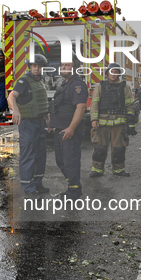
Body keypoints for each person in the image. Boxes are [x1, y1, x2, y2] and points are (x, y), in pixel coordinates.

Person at [7, 54, 50, 198]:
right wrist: (16, 111)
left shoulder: (40, 81)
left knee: (40, 155)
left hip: (39, 122)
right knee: (29, 155)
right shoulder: (24, 81)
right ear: (30, 67)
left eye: (39, 66)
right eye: (34, 66)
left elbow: (40, 102)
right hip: (28, 124)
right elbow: (11, 97)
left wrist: (47, 117)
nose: (37, 68)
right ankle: (29, 188)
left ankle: (38, 183)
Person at [49, 56, 88, 200]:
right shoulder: (66, 84)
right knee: (61, 161)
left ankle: (74, 191)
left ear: (75, 67)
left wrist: (71, 128)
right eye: (62, 65)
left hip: (69, 131)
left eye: (68, 65)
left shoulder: (77, 85)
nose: (64, 67)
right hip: (60, 130)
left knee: (70, 161)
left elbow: (81, 107)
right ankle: (73, 185)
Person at [89, 63, 136, 178]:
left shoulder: (125, 87)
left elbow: (130, 105)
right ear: (107, 74)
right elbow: (94, 103)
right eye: (111, 72)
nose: (113, 74)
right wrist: (94, 119)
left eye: (116, 72)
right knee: (99, 148)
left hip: (119, 124)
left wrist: (130, 122)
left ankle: (119, 170)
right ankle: (97, 169)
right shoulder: (100, 86)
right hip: (102, 123)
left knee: (119, 149)